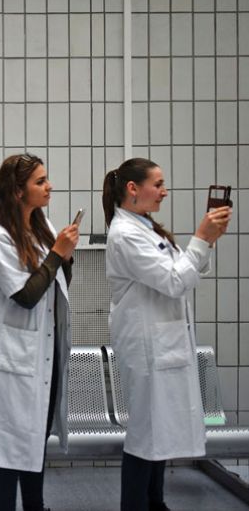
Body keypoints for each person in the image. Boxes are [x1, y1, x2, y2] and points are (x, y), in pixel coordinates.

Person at [102, 158, 231, 511]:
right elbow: (174, 281)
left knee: (158, 433)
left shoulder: (145, 226)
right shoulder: (125, 234)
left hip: (162, 344)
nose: (164, 191)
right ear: (133, 189)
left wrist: (208, 242)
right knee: (145, 436)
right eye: (157, 184)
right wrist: (201, 238)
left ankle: (155, 503)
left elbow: (184, 271)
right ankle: (137, 505)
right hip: (146, 348)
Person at [0, 154, 78, 511]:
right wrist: (56, 255)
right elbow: (25, 296)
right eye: (40, 181)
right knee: (6, 444)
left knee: (35, 436)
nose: (49, 186)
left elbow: (59, 286)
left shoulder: (44, 226)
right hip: (11, 350)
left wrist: (66, 257)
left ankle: (36, 506)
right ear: (18, 191)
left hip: (42, 351)